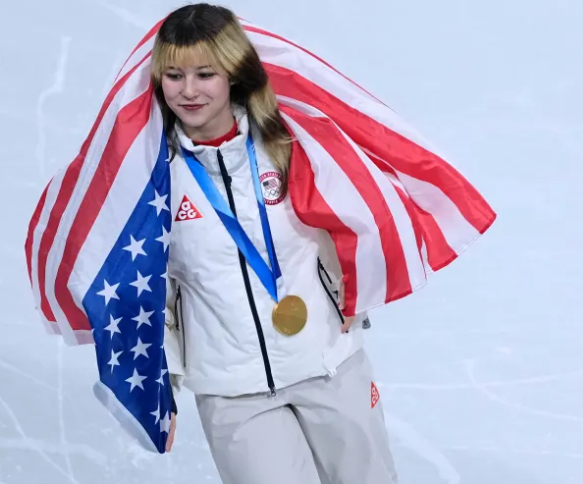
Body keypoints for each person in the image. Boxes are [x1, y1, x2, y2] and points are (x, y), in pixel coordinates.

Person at [151, 4, 398, 484]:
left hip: (328, 363)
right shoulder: (152, 177)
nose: (189, 90)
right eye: (174, 75)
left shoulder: (289, 145)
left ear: (233, 74)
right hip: (233, 389)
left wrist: (356, 289)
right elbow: (149, 289)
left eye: (205, 73)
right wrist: (157, 383)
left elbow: (350, 219)